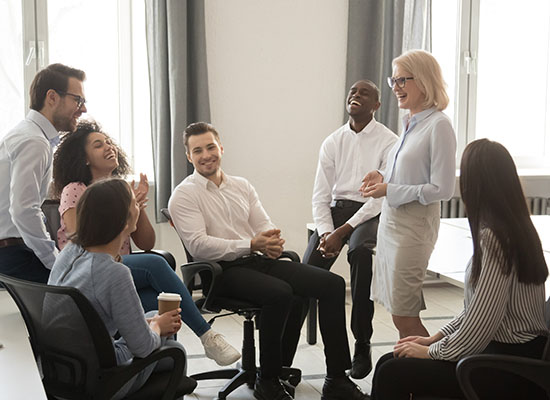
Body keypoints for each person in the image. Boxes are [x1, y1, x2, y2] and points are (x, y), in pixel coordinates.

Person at [168, 122, 369, 400]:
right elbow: (199, 246)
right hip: (220, 273)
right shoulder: (184, 194)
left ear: (221, 148)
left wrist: (272, 242)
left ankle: (336, 379)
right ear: (189, 156)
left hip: (256, 261)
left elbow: (263, 225)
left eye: (211, 147)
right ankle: (268, 380)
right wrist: (251, 243)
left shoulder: (241, 186)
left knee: (332, 284)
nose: (206, 155)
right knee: (281, 293)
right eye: (198, 150)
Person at [370, 139, 549, 399]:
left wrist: (432, 352)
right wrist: (435, 339)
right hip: (516, 354)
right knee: (391, 360)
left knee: (392, 371)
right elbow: (475, 311)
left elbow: (482, 323)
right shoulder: (516, 228)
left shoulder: (495, 239)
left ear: (475, 184)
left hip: (509, 366)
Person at [52, 119, 240, 367]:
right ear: (84, 157)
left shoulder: (119, 191)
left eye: (109, 142)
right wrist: (125, 211)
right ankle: (201, 340)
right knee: (156, 266)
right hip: (96, 290)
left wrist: (135, 207)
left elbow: (147, 242)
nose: (109, 147)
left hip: (72, 365)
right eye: (99, 145)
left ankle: (173, 368)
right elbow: (88, 237)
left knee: (160, 301)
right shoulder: (78, 191)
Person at [48, 178, 185, 399]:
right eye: (133, 202)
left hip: (63, 374)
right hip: (100, 381)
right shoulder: (114, 273)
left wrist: (153, 322)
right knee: (175, 352)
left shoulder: (69, 253)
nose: (138, 206)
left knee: (153, 319)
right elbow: (143, 348)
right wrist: (158, 326)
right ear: (124, 222)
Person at [303, 79, 397, 379]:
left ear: (376, 106)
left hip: (370, 213)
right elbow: (320, 196)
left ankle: (362, 342)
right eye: (353, 92)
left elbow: (378, 200)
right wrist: (326, 232)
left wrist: (341, 232)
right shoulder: (332, 141)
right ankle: (280, 355)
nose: (355, 96)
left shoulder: (389, 141)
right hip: (337, 210)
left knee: (360, 253)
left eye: (364, 93)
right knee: (304, 273)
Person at [360, 50, 456, 338]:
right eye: (394, 80)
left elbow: (443, 189)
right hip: (390, 224)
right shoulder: (408, 124)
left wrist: (390, 188)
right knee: (396, 313)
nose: (397, 87)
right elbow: (405, 174)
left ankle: (428, 378)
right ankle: (411, 379)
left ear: (425, 81)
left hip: (414, 229)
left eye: (403, 79)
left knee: (405, 314)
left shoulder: (439, 125)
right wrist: (383, 176)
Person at [0, 63, 86, 283]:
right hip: (13, 256)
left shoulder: (28, 135)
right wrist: (54, 260)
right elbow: (23, 210)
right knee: (90, 290)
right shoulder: (34, 141)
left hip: (13, 252)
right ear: (52, 97)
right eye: (78, 100)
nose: (83, 109)